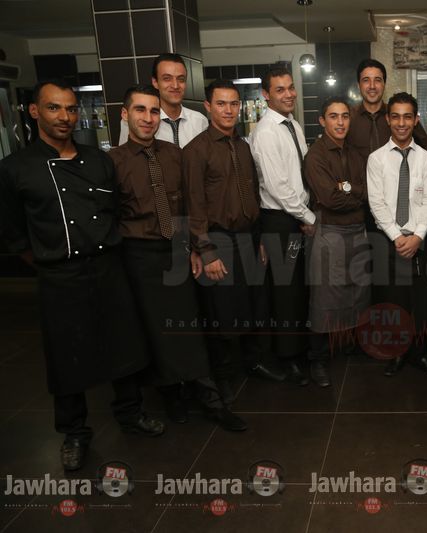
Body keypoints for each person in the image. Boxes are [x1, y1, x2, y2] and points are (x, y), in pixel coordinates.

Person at [0, 80, 164, 471]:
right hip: (60, 275)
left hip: (108, 266)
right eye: (54, 108)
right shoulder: (14, 169)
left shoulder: (99, 161)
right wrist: (49, 261)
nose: (65, 117)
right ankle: (75, 433)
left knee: (124, 344)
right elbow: (14, 233)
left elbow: (115, 212)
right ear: (34, 112)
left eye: (71, 109)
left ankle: (130, 413)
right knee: (66, 357)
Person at [111, 84, 246, 432]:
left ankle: (210, 399)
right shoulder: (113, 162)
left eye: (154, 111)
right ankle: (171, 395)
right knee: (155, 332)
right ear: (125, 115)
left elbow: (191, 205)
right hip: (138, 257)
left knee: (189, 329)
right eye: (140, 110)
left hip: (176, 252)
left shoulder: (176, 154)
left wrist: (196, 248)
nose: (148, 118)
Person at [183, 79, 263, 405]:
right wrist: (206, 250)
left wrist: (258, 239)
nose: (228, 110)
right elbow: (194, 205)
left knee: (249, 305)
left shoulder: (242, 145)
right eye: (221, 104)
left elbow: (252, 193)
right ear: (208, 107)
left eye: (233, 104)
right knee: (222, 313)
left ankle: (252, 364)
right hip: (218, 240)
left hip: (247, 237)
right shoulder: (196, 150)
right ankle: (223, 377)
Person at [367, 92, 427, 377]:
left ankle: (420, 354)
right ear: (388, 119)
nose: (401, 123)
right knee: (393, 301)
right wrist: (396, 237)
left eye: (407, 117)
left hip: (418, 241)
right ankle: (396, 354)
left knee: (421, 303)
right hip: (389, 242)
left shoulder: (426, 159)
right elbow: (376, 203)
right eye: (396, 116)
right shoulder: (376, 159)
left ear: (416, 119)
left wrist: (417, 237)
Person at [248, 66, 313, 386]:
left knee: (299, 289)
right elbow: (278, 187)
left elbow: (303, 174)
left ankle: (299, 350)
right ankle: (289, 358)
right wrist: (308, 217)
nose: (289, 94)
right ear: (265, 95)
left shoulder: (293, 125)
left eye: (290, 87)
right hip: (280, 220)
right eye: (280, 89)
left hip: (296, 216)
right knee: (285, 293)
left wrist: (306, 211)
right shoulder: (265, 132)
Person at [304, 96, 371, 387]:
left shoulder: (356, 154)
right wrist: (351, 192)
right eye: (334, 116)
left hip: (357, 230)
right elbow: (329, 199)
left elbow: (368, 192)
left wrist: (346, 188)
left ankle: (350, 345)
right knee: (324, 298)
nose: (340, 122)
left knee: (357, 292)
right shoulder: (315, 155)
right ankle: (317, 359)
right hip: (330, 232)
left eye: (345, 116)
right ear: (322, 121)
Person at [118, 53, 208, 148]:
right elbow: (126, 154)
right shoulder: (136, 121)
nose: (175, 86)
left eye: (181, 79)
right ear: (155, 82)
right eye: (167, 79)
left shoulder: (199, 121)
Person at [346, 58, 427, 162]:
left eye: (377, 80)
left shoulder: (398, 115)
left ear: (384, 84)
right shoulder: (348, 118)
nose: (372, 86)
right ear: (358, 85)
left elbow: (425, 147)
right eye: (366, 80)